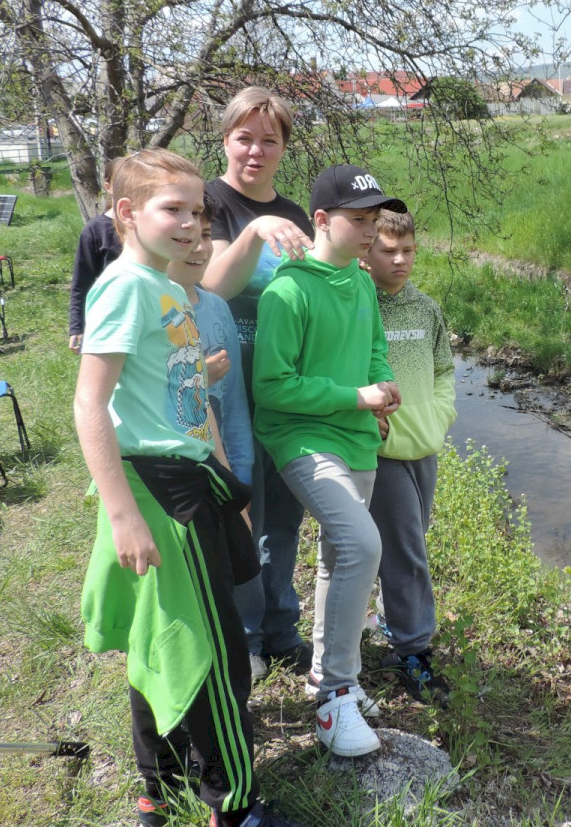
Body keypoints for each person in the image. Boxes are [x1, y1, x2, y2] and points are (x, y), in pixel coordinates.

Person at [74, 148, 300, 827]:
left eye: (198, 211)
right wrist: (123, 515)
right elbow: (90, 404)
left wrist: (225, 469)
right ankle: (235, 806)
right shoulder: (125, 287)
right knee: (216, 654)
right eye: (172, 208)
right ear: (126, 213)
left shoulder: (168, 288)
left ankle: (162, 782)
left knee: (162, 637)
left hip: (194, 477)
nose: (190, 224)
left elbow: (168, 391)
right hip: (163, 491)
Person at [252, 164, 404, 757]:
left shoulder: (361, 282)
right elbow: (272, 388)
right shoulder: (287, 291)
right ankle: (336, 696)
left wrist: (382, 383)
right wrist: (355, 397)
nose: (370, 231)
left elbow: (374, 347)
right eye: (358, 219)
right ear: (321, 219)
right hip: (303, 439)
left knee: (339, 556)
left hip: (357, 435)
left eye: (374, 219)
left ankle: (325, 671)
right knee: (363, 544)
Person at [201, 87, 314, 678]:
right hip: (225, 387)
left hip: (285, 388)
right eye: (244, 137)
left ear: (283, 148)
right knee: (241, 514)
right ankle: (242, 636)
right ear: (226, 140)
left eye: (269, 140)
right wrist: (253, 232)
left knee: (285, 516)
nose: (256, 151)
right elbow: (213, 285)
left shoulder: (297, 214)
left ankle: (281, 627)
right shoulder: (208, 202)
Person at [359, 208, 456, 702]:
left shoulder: (426, 309)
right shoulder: (358, 304)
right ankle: (412, 651)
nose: (400, 260)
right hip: (380, 450)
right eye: (388, 250)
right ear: (366, 251)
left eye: (408, 250)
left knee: (409, 538)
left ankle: (385, 619)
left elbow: (444, 370)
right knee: (406, 549)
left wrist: (438, 416)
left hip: (424, 445)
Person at [167, 211, 262, 644]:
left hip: (226, 462)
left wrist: (242, 472)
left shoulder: (218, 308)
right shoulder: (154, 310)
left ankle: (247, 639)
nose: (199, 247)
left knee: (239, 551)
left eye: (207, 235)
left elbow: (235, 400)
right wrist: (198, 378)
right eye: (187, 237)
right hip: (178, 473)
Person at [68, 157, 123, 352]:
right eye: (122, 181)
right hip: (113, 317)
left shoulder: (151, 224)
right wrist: (77, 326)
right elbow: (82, 282)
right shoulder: (95, 230)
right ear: (108, 187)